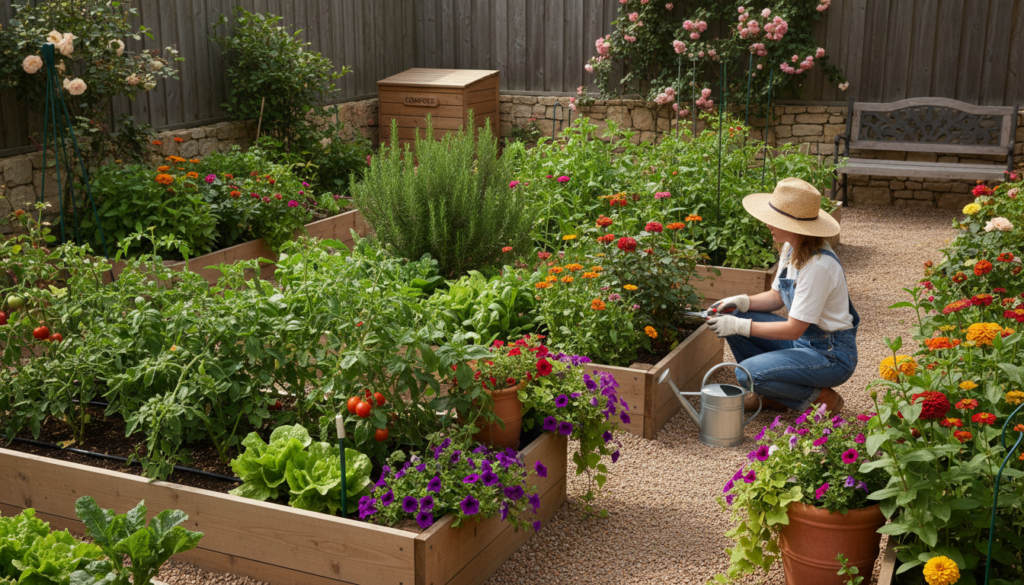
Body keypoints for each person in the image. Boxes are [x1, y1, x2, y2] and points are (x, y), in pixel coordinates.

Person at [705, 177, 857, 416]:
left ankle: (821, 397)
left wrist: (739, 325)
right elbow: (776, 297)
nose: (768, 224)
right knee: (734, 314)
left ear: (796, 225)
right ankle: (775, 395)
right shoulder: (792, 247)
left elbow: (793, 329)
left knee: (747, 372)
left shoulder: (817, 266)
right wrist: (739, 302)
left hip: (830, 354)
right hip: (805, 342)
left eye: (776, 220)